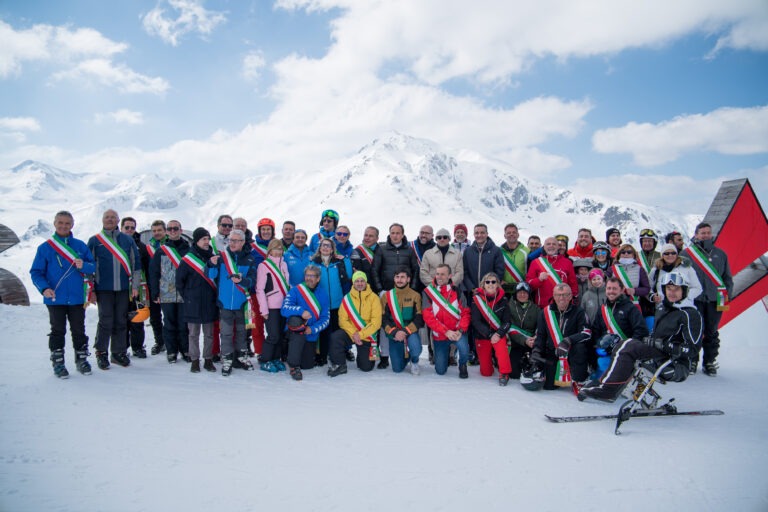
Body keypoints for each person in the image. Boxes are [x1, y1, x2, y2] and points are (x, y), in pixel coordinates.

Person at [579, 272, 702, 402]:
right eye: (668, 288)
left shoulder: (690, 314)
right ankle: (606, 384)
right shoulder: (663, 308)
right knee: (624, 345)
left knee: (627, 345)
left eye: (676, 289)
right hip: (658, 353)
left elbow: (692, 349)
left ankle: (608, 389)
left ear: (684, 290)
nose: (672, 292)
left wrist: (664, 344)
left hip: (674, 362)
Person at [30, 210, 96, 378]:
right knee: (58, 331)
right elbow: (36, 272)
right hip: (54, 298)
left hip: (77, 298)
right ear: (55, 224)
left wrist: (84, 266)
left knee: (79, 330)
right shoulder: (45, 248)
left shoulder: (80, 246)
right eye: (60, 222)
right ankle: (58, 363)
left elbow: (93, 267)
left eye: (67, 223)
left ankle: (81, 360)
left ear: (72, 225)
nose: (64, 226)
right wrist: (44, 288)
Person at [87, 209, 141, 370]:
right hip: (103, 289)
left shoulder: (127, 240)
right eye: (107, 217)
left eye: (113, 217)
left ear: (118, 220)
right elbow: (89, 268)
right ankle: (101, 352)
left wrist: (135, 286)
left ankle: (118, 353)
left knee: (121, 321)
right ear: (102, 220)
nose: (110, 220)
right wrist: (91, 290)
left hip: (124, 288)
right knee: (105, 320)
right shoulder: (95, 241)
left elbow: (135, 264)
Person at [684, 222, 733, 376]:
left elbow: (727, 278)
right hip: (695, 300)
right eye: (702, 233)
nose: (706, 235)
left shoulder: (720, 254)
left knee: (712, 331)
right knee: (694, 331)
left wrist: (726, 299)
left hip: (715, 299)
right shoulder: (687, 254)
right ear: (696, 235)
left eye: (708, 232)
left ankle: (709, 362)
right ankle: (692, 360)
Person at [207, 229, 257, 376]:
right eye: (231, 240)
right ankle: (227, 358)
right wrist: (210, 264)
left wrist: (242, 280)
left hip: (242, 303)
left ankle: (241, 356)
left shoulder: (249, 259)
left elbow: (252, 280)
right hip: (225, 303)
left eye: (236, 241)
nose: (233, 243)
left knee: (242, 332)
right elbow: (210, 275)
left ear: (243, 242)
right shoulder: (222, 257)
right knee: (226, 333)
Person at [372, 223, 420, 369]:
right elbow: (375, 270)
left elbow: (415, 270)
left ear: (403, 234)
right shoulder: (382, 249)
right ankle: (384, 356)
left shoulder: (409, 250)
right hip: (387, 293)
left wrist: (412, 289)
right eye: (392, 233)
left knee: (405, 319)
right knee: (385, 324)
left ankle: (412, 352)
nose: (395, 235)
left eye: (398, 233)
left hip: (405, 292)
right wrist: (380, 289)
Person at [530, 283, 591, 389]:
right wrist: (536, 352)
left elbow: (586, 333)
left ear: (570, 296)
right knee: (549, 386)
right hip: (553, 352)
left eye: (565, 295)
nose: (561, 298)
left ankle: (579, 379)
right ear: (553, 296)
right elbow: (540, 336)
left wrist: (568, 340)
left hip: (571, 352)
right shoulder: (545, 313)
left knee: (580, 347)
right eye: (558, 295)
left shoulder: (579, 312)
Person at [176, 227, 219, 373]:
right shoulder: (188, 259)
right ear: (196, 241)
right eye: (203, 239)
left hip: (209, 301)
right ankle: (194, 360)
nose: (206, 242)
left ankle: (208, 359)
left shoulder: (212, 258)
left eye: (208, 239)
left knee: (209, 334)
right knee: (193, 334)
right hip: (192, 303)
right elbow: (179, 282)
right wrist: (188, 297)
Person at [590, 277, 649, 380]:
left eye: (614, 288)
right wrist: (599, 345)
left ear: (622, 290)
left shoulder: (630, 308)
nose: (611, 291)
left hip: (624, 352)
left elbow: (641, 330)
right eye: (609, 288)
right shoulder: (602, 308)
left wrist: (628, 349)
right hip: (605, 352)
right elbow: (596, 329)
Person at [149, 219, 190, 364]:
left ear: (181, 230)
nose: (173, 231)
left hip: (185, 292)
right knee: (169, 323)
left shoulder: (188, 250)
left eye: (175, 228)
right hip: (167, 291)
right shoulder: (161, 251)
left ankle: (185, 350)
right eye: (170, 229)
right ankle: (172, 351)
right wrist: (155, 292)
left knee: (184, 323)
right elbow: (154, 273)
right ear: (167, 231)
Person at [462, 223, 504, 364]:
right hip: (474, 294)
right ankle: (474, 351)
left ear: (487, 233)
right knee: (474, 322)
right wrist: (472, 288)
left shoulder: (496, 250)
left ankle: (492, 353)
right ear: (473, 234)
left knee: (490, 322)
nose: (479, 235)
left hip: (490, 294)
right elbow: (465, 272)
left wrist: (489, 288)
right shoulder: (468, 251)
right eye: (477, 233)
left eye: (482, 232)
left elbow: (499, 271)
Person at [280, 265, 331, 380]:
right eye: (307, 275)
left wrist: (312, 329)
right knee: (296, 321)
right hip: (295, 331)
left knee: (307, 365)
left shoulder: (323, 294)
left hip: (310, 333)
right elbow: (284, 309)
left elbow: (325, 319)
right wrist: (301, 311)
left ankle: (291, 353)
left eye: (312, 276)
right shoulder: (296, 290)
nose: (309, 278)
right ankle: (293, 366)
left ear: (318, 278)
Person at [328, 271, 382, 376]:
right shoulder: (347, 299)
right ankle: (340, 364)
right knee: (336, 337)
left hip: (367, 335)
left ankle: (362, 356)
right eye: (357, 281)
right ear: (353, 283)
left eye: (362, 281)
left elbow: (376, 322)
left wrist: (360, 334)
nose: (360, 283)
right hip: (351, 333)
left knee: (366, 367)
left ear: (366, 282)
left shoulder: (374, 298)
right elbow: (342, 320)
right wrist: (354, 334)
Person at [423, 264, 471, 378]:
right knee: (440, 370)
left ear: (449, 276)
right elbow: (428, 317)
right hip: (440, 334)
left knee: (464, 349)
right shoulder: (428, 293)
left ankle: (463, 365)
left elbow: (466, 313)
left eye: (443, 274)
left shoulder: (458, 292)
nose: (439, 277)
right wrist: (445, 331)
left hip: (456, 332)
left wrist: (460, 330)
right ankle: (444, 357)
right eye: (437, 274)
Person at [311, 237, 352, 366]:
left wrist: (345, 260)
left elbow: (349, 276)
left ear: (333, 249)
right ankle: (322, 355)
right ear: (319, 248)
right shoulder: (314, 263)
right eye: (323, 245)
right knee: (323, 331)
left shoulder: (338, 263)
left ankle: (338, 354)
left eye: (328, 245)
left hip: (337, 303)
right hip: (321, 304)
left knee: (337, 331)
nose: (325, 248)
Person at [470, 272, 513, 385]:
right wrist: (489, 334)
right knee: (486, 372)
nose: (490, 284)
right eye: (487, 282)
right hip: (483, 335)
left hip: (498, 334)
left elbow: (507, 321)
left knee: (501, 345)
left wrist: (498, 334)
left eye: (493, 282)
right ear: (483, 285)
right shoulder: (476, 300)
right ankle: (492, 360)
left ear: (498, 284)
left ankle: (504, 373)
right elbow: (476, 321)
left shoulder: (504, 300)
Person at [255, 239, 291, 372]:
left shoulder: (284, 264)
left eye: (280, 249)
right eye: (275, 249)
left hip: (284, 306)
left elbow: (287, 284)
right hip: (271, 307)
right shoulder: (263, 266)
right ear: (270, 250)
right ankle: (265, 360)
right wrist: (263, 309)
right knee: (273, 335)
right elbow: (260, 289)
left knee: (280, 335)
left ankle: (275, 358)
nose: (278, 251)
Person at [381, 267, 424, 374]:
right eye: (397, 277)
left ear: (408, 279)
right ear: (394, 278)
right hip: (394, 333)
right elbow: (383, 318)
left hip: (410, 331)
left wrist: (405, 331)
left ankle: (414, 360)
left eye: (402, 277)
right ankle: (405, 356)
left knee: (416, 348)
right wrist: (395, 332)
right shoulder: (386, 296)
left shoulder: (415, 295)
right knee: (397, 369)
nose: (399, 280)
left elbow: (419, 318)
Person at [121, 216, 148, 358]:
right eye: (127, 227)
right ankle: (122, 347)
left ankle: (138, 347)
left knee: (138, 317)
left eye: (132, 228)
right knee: (122, 319)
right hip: (121, 288)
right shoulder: (116, 245)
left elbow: (147, 267)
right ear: (121, 228)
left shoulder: (141, 246)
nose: (130, 230)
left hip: (139, 288)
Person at [526, 236, 578, 308]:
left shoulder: (567, 262)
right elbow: (529, 285)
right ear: (544, 247)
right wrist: (539, 280)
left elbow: (573, 284)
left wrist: (572, 301)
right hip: (542, 306)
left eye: (554, 244)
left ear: (558, 247)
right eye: (548, 244)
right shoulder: (536, 262)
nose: (551, 246)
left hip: (563, 305)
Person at [649, 244, 702, 309]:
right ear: (662, 255)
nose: (670, 255)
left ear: (677, 255)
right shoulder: (656, 270)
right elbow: (648, 287)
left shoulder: (687, 268)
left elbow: (697, 288)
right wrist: (653, 296)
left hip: (684, 306)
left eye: (673, 253)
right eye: (667, 253)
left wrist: (685, 296)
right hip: (662, 307)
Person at [507, 281, 540, 379]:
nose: (522, 295)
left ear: (529, 294)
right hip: (515, 342)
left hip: (531, 342)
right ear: (515, 294)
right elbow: (509, 327)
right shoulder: (508, 307)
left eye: (525, 293)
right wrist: (524, 340)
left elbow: (540, 326)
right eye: (519, 292)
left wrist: (535, 338)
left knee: (534, 367)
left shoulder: (536, 309)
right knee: (514, 374)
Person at [146, 220, 167, 355]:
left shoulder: (171, 245)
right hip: (153, 286)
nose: (157, 233)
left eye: (159, 230)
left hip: (169, 286)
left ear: (165, 231)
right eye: (154, 231)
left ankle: (173, 342)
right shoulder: (148, 248)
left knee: (170, 317)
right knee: (155, 317)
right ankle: (159, 341)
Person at [610, 244, 651, 313]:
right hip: (616, 304)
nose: (626, 254)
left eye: (629, 252)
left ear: (633, 255)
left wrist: (635, 291)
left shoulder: (640, 269)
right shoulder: (612, 269)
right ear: (619, 255)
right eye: (623, 252)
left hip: (632, 305)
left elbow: (647, 289)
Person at [499, 223, 529, 298]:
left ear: (518, 235)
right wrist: (498, 280)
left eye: (514, 232)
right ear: (504, 235)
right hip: (504, 291)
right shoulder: (498, 252)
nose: (511, 234)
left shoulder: (527, 251)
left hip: (522, 290)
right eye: (509, 233)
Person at [410, 225, 435, 293]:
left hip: (430, 285)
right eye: (422, 232)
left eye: (427, 233)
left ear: (432, 235)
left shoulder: (436, 248)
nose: (423, 235)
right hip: (412, 285)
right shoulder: (410, 246)